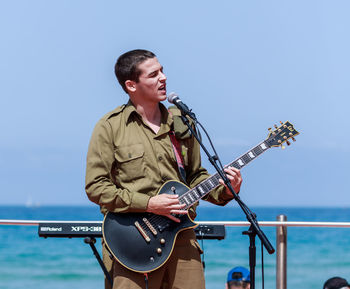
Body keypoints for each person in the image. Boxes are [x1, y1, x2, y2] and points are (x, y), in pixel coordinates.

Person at [85, 49, 243, 289]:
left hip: (182, 238)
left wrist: (226, 191)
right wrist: (148, 204)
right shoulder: (110, 127)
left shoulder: (182, 121)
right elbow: (96, 187)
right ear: (131, 85)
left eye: (162, 70)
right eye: (153, 74)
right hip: (132, 241)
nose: (163, 78)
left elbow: (195, 175)